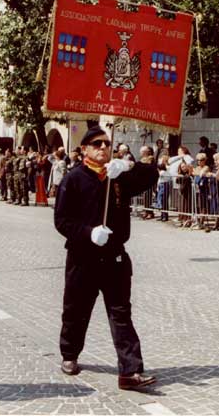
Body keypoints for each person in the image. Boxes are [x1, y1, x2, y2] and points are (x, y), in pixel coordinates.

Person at [54, 126, 158, 390]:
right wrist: (88, 233)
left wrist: (126, 166)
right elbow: (62, 221)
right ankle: (69, 354)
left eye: (107, 144)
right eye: (97, 144)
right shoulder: (74, 178)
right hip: (83, 256)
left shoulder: (118, 176)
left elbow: (152, 175)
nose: (103, 148)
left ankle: (130, 371)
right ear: (85, 149)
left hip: (114, 257)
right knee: (76, 310)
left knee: (121, 313)